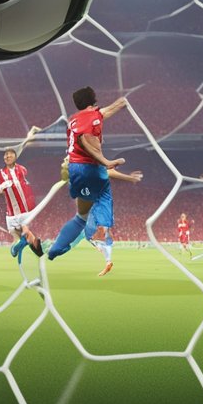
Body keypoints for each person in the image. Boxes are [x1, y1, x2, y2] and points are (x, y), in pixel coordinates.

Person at [48, 87, 141, 278]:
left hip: (74, 169)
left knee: (81, 216)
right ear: (94, 100)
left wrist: (121, 102)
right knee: (103, 190)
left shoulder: (76, 118)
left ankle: (54, 250)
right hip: (89, 167)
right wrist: (106, 161)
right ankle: (101, 229)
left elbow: (105, 111)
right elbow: (84, 140)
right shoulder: (91, 119)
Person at [0, 148, 42, 259]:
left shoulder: (21, 169)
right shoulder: (0, 173)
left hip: (24, 210)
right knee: (23, 237)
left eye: (10, 155)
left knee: (24, 235)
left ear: (15, 157)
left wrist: (8, 185)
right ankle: (38, 252)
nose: (7, 157)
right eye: (5, 155)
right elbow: (3, 189)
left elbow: (21, 182)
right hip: (11, 212)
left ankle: (27, 247)